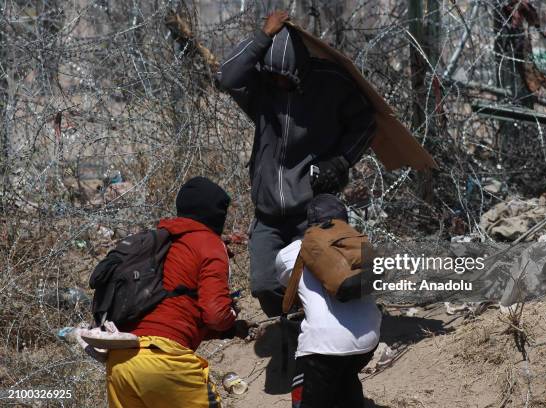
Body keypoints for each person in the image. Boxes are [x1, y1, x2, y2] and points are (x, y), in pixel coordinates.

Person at [217, 10, 376, 317]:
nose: (279, 83)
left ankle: (319, 330)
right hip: (268, 214)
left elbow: (366, 123)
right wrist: (263, 36)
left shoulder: (330, 84)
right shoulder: (261, 88)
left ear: (300, 71)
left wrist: (341, 161)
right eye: (273, 77)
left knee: (322, 280)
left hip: (311, 210)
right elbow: (227, 76)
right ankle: (289, 328)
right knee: (265, 286)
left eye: (285, 79)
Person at [106, 176, 246, 408]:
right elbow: (215, 313)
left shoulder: (158, 243)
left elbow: (169, 312)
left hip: (121, 361)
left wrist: (225, 333)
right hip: (165, 362)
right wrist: (232, 320)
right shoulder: (208, 242)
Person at [276, 194, 381, 408]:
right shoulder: (358, 244)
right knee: (345, 374)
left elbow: (282, 280)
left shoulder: (292, 252)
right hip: (369, 339)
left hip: (322, 347)